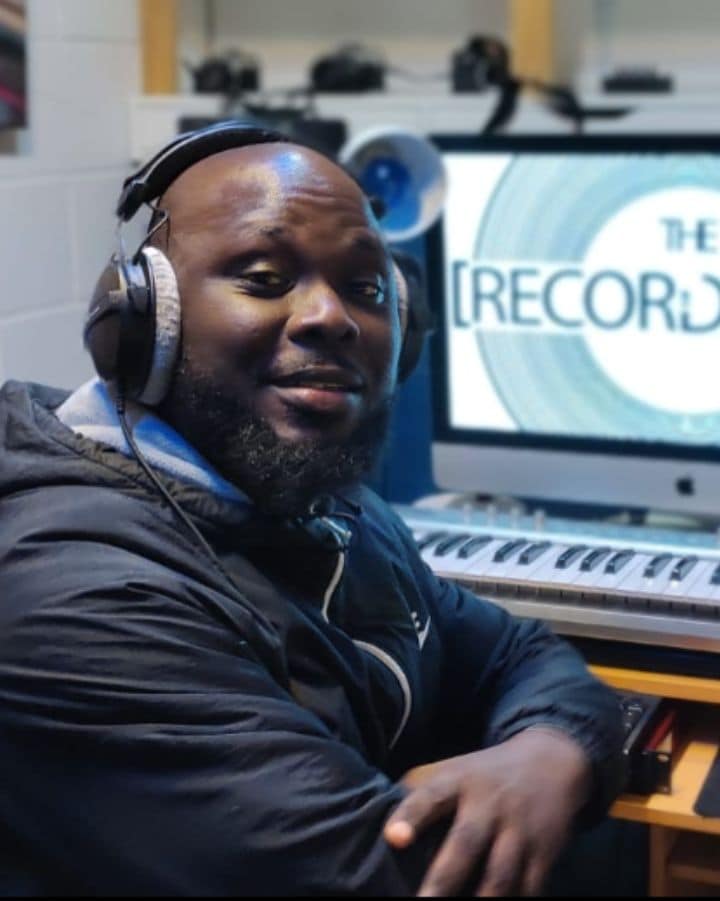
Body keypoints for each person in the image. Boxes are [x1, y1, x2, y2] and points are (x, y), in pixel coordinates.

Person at [0, 121, 625, 896]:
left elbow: (517, 654)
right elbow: (388, 879)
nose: (331, 316)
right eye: (264, 277)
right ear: (144, 319)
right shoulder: (78, 596)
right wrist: (573, 760)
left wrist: (547, 753)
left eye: (366, 289)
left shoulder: (327, 509)